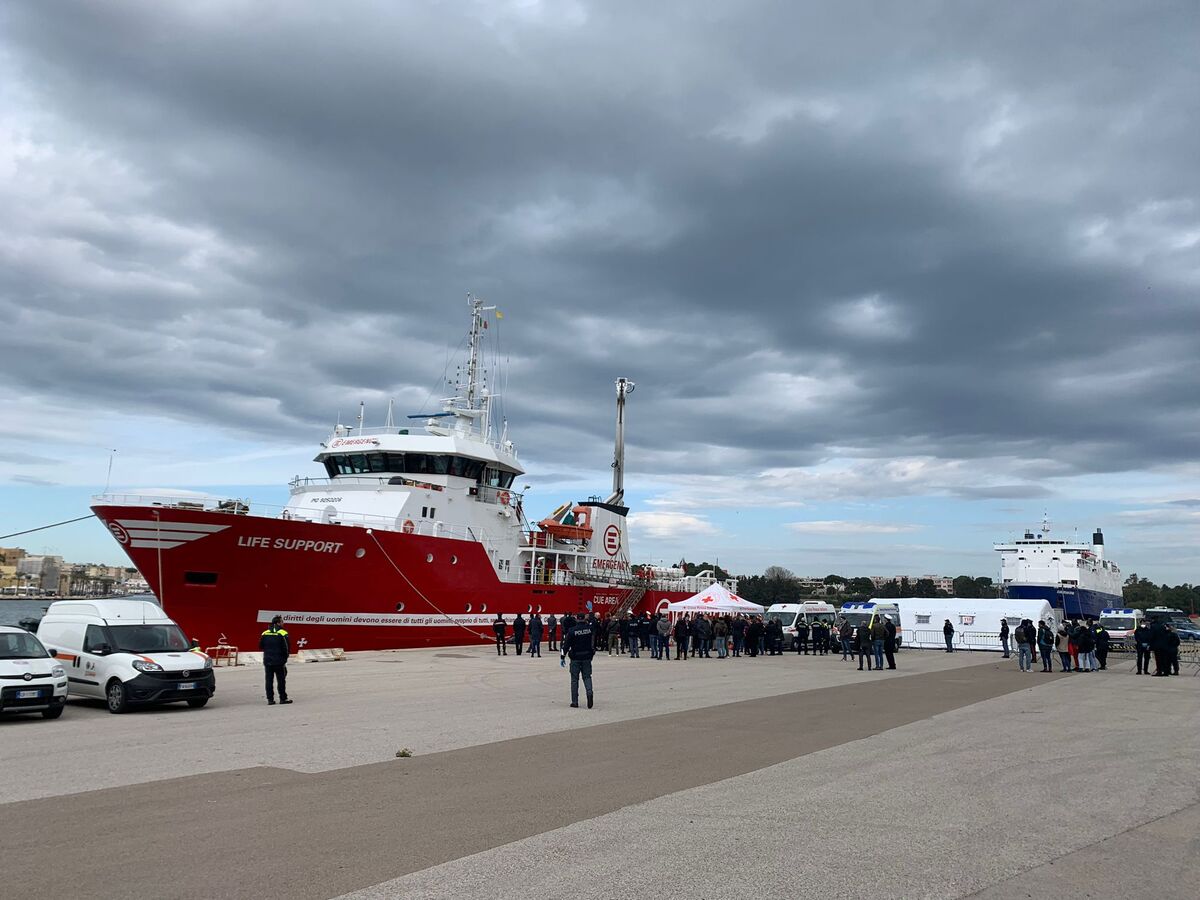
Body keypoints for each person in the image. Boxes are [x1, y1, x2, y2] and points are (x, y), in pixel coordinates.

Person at [560, 615, 596, 708]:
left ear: (577, 619)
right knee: (587, 677)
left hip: (575, 657)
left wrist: (562, 656)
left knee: (574, 680)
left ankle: (575, 702)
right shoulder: (589, 629)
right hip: (587, 657)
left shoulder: (572, 631)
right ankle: (589, 693)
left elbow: (566, 645)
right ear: (585, 619)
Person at [259, 615, 292, 705]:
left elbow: (260, 646)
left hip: (267, 661)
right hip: (279, 661)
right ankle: (283, 698)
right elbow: (287, 647)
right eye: (282, 621)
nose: (283, 623)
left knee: (269, 680)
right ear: (278, 623)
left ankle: (270, 700)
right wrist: (285, 658)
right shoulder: (283, 633)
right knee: (281, 680)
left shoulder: (265, 633)